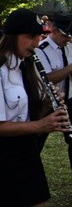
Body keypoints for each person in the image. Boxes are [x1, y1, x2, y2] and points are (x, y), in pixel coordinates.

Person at [0, 8, 70, 206]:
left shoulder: (26, 66)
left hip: (27, 151)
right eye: (30, 36)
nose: (36, 43)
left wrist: (47, 104)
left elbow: (30, 115)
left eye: (38, 36)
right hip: (1, 158)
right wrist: (41, 126)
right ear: (12, 36)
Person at [35, 12, 72, 168]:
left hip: (69, 100)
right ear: (55, 31)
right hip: (48, 103)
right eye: (66, 36)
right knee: (35, 143)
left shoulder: (69, 46)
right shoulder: (40, 49)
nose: (69, 39)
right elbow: (47, 78)